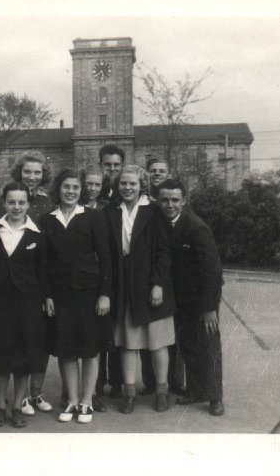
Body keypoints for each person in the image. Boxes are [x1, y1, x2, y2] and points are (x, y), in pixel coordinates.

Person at [39, 168, 113, 424]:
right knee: (66, 350)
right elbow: (44, 263)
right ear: (58, 189)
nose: (70, 192)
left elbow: (105, 257)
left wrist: (105, 294)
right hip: (60, 295)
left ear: (82, 191)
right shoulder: (47, 219)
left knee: (90, 349)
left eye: (75, 188)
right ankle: (71, 401)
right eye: (66, 187)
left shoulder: (93, 217)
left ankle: (87, 402)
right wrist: (47, 295)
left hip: (89, 293)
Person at [105, 164, 175, 414]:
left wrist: (157, 284)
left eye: (132, 183)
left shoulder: (154, 210)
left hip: (150, 283)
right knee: (129, 342)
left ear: (141, 185)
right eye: (123, 183)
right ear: (117, 185)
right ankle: (129, 392)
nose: (127, 187)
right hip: (124, 285)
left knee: (157, 342)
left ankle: (162, 391)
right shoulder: (111, 211)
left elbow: (164, 251)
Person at [0, 182, 47, 429]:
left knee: (23, 358)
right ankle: (0, 406)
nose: (16, 207)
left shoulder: (37, 234)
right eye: (11, 202)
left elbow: (43, 271)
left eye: (21, 202)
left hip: (27, 303)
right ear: (4, 203)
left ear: (28, 204)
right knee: (0, 357)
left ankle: (17, 406)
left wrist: (44, 299)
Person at [157, 179, 225, 416]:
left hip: (201, 301)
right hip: (178, 300)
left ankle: (216, 397)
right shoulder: (160, 224)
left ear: (183, 201)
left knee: (208, 348)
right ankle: (196, 391)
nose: (169, 205)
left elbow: (213, 271)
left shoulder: (196, 227)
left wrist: (209, 308)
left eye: (175, 200)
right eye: (164, 200)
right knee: (188, 347)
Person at [1, 151, 55, 416]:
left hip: (42, 275)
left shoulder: (48, 202)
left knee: (39, 339)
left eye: (37, 172)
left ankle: (36, 392)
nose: (32, 177)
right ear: (19, 173)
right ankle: (17, 397)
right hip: (17, 280)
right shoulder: (11, 197)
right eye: (27, 172)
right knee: (15, 340)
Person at [141, 158, 184, 396]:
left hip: (176, 278)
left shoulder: (175, 198)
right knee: (152, 335)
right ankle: (151, 383)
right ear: (147, 175)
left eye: (162, 171)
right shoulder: (148, 205)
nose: (157, 174)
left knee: (172, 337)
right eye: (153, 171)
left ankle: (174, 382)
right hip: (158, 276)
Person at [95, 146, 125, 400]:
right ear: (100, 165)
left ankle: (116, 382)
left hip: (119, 270)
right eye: (108, 165)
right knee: (98, 327)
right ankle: (96, 383)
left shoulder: (126, 192)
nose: (112, 169)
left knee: (115, 329)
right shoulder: (93, 191)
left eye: (116, 165)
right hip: (98, 269)